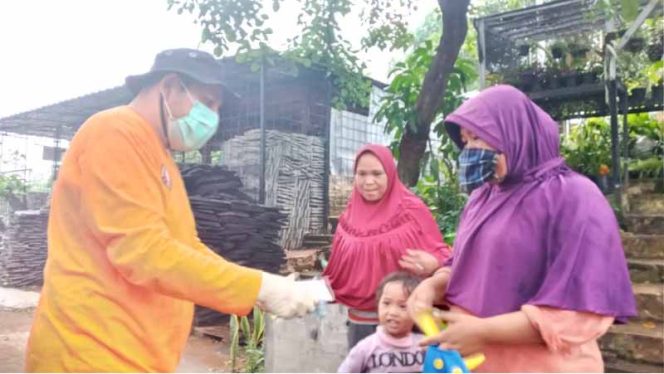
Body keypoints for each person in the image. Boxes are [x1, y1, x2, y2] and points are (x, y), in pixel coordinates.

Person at [25, 48, 317, 372]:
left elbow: (184, 244)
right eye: (207, 102)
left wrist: (257, 289)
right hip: (91, 352)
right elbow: (144, 253)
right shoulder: (114, 133)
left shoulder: (159, 155)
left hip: (133, 352)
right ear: (171, 87)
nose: (213, 118)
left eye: (217, 108)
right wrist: (259, 287)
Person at [407, 85, 637, 372]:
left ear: (516, 133)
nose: (470, 151)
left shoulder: (574, 196)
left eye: (478, 137)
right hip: (473, 363)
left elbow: (582, 309)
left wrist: (484, 331)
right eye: (465, 141)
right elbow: (468, 266)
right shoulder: (482, 197)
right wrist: (433, 285)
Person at [323, 144, 452, 349]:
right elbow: (336, 272)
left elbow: (445, 257)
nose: (368, 181)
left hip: (407, 322)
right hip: (361, 324)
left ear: (390, 174)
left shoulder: (412, 210)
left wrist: (434, 263)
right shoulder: (348, 218)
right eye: (361, 174)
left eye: (376, 173)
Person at [338, 272, 425, 373]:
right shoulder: (366, 348)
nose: (392, 312)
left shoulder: (424, 346)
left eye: (402, 306)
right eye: (386, 303)